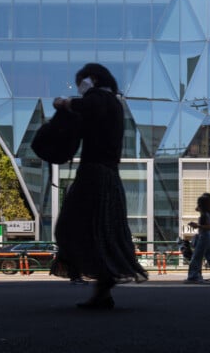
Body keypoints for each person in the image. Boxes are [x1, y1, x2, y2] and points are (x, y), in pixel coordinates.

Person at [52, 63, 148, 309]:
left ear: (92, 79)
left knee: (70, 226)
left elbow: (87, 105)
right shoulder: (114, 102)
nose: (80, 88)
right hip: (109, 176)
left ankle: (98, 286)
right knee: (103, 231)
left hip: (93, 174)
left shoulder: (99, 97)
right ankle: (102, 292)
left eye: (81, 82)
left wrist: (64, 103)